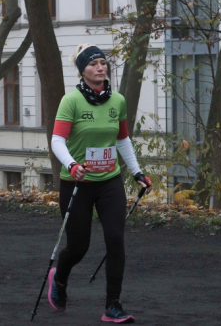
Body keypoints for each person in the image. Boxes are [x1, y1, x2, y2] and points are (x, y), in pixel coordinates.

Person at [47, 43, 152, 324]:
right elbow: (57, 140)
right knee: (78, 247)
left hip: (109, 181)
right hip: (77, 183)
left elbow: (122, 140)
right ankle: (60, 277)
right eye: (94, 64)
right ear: (83, 71)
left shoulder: (117, 101)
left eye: (103, 63)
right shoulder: (71, 101)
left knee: (115, 240)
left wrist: (137, 172)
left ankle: (112, 305)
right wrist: (72, 165)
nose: (100, 67)